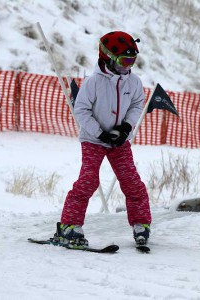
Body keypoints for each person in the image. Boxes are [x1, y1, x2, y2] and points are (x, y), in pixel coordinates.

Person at [54, 31, 152, 247]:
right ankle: (69, 226)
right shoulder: (93, 82)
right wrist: (100, 133)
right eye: (124, 61)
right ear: (107, 57)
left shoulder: (133, 82)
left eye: (132, 61)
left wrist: (125, 128)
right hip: (94, 140)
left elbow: (137, 104)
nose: (127, 66)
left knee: (131, 182)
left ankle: (141, 224)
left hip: (119, 141)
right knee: (88, 181)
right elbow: (81, 110)